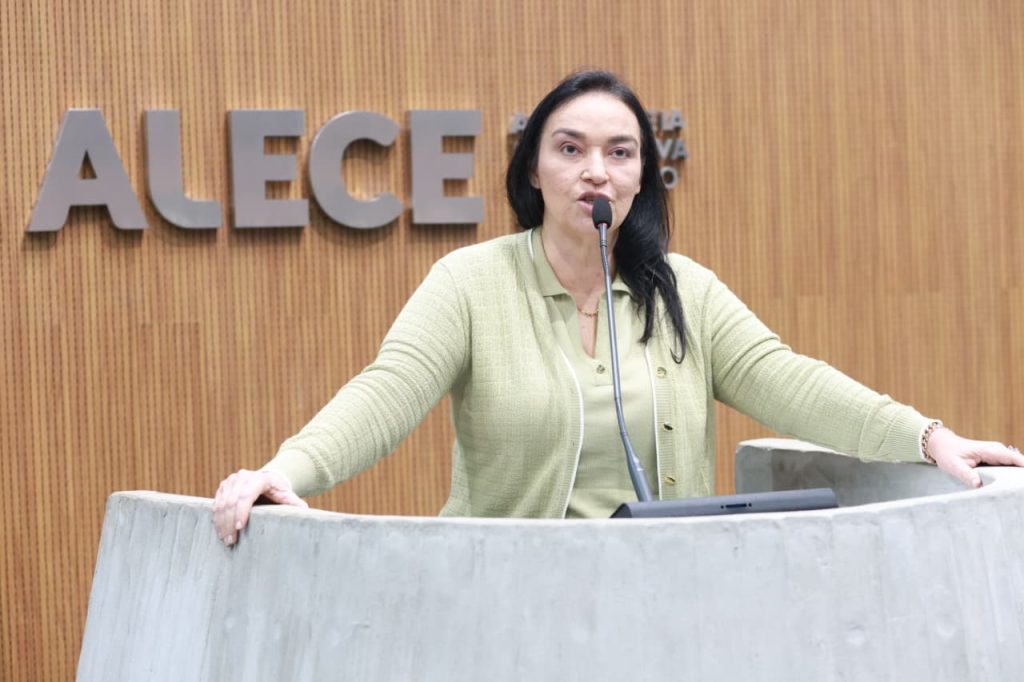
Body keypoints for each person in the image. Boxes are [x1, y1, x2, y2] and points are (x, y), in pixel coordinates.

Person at [212, 70, 1023, 545]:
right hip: (508, 601)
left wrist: (928, 437)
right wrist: (286, 471)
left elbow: (793, 384)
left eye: (620, 152)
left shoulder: (684, 290)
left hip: (661, 599)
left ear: (640, 177)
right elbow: (385, 393)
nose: (595, 170)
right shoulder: (469, 283)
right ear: (534, 170)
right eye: (570, 149)